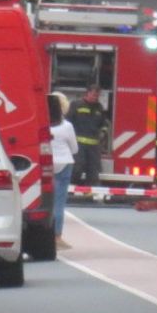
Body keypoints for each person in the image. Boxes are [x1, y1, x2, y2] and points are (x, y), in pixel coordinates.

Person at [49, 92, 78, 250]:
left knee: (45, 201)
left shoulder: (43, 124)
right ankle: (57, 237)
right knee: (59, 203)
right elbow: (74, 148)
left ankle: (44, 235)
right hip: (64, 163)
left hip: (47, 163)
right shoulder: (67, 126)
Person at [70, 86, 108, 187]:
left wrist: (103, 132)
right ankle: (72, 187)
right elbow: (68, 122)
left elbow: (103, 123)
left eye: (97, 95)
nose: (96, 97)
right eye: (94, 95)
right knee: (77, 167)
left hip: (93, 147)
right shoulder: (77, 105)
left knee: (93, 171)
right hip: (79, 145)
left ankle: (90, 195)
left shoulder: (99, 108)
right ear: (87, 93)